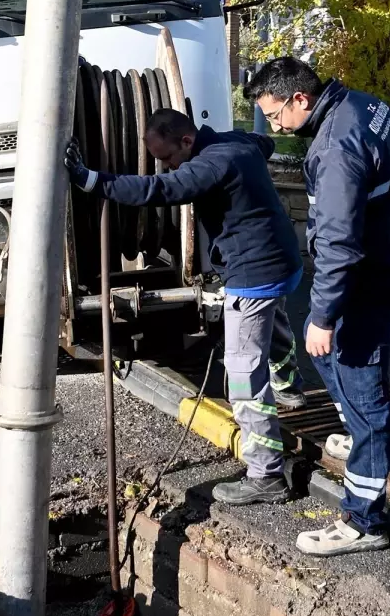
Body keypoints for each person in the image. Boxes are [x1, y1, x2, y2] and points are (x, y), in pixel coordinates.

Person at [66, 108, 305, 505]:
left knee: (244, 375)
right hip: (283, 261)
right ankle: (289, 388)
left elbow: (157, 191)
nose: (166, 165)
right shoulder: (238, 142)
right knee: (274, 323)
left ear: (187, 141)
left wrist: (89, 180)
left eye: (168, 158)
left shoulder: (213, 162)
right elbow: (266, 142)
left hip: (253, 273)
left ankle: (266, 475)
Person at [247, 56, 390, 557]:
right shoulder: (366, 106)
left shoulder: (336, 148)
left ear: (299, 98)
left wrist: (324, 315)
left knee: (357, 378)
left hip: (364, 280)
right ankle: (365, 438)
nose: (276, 126)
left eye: (276, 114)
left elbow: (340, 242)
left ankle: (363, 519)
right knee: (330, 358)